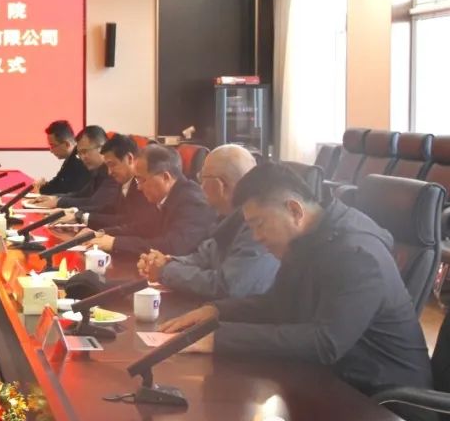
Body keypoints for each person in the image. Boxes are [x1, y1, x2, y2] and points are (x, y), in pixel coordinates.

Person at [160, 163, 433, 405]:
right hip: (332, 382)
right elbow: (278, 304)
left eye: (259, 224)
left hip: (385, 403)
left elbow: (325, 342)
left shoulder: (357, 253)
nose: (256, 237)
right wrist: (216, 312)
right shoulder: (308, 239)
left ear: (294, 210)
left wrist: (219, 338)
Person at [137, 145, 279, 299]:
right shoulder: (226, 217)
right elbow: (204, 257)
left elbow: (227, 286)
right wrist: (166, 261)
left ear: (221, 185)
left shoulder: (256, 226)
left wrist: (165, 271)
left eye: (202, 178)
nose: (200, 186)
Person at [88, 144, 217, 256]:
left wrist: (116, 243)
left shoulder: (192, 202)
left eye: (142, 180)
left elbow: (172, 247)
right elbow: (142, 228)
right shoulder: (167, 197)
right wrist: (100, 234)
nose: (138, 187)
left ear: (165, 177)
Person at [29, 126, 117, 211]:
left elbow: (95, 202)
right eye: (80, 153)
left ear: (102, 148)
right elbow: (81, 194)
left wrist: (58, 202)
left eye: (85, 151)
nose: (82, 157)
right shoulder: (98, 171)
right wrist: (55, 198)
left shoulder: (114, 171)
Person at [35, 120, 92, 195]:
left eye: (52, 146)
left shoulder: (80, 162)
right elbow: (57, 184)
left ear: (66, 144)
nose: (51, 150)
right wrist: (43, 186)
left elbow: (68, 192)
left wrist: (41, 188)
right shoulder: (70, 159)